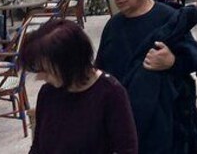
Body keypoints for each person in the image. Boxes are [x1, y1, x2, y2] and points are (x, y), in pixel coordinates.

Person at [96, 0, 197, 154]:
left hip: (167, 126)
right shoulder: (113, 26)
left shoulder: (169, 20)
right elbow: (101, 69)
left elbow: (195, 59)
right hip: (126, 122)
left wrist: (172, 62)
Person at [20, 19, 138, 154]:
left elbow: (126, 149)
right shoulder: (48, 92)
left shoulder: (110, 93)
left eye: (46, 71)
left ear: (69, 63)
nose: (40, 78)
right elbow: (38, 147)